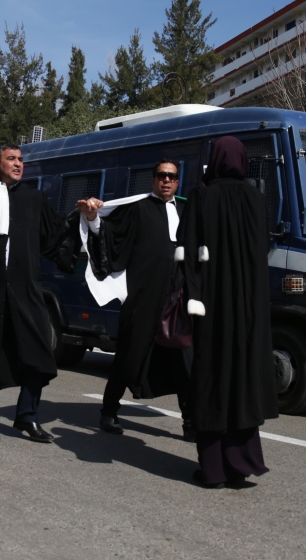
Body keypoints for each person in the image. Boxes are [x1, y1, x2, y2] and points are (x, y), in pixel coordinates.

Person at [180, 136, 278, 489]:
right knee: (242, 378)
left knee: (211, 377)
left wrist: (191, 295)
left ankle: (213, 470)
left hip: (212, 306)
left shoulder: (202, 196)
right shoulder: (255, 198)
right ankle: (240, 464)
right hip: (248, 308)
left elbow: (187, 249)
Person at [77, 159, 193, 439]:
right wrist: (93, 219)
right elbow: (109, 237)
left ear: (178, 182)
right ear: (153, 179)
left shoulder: (186, 210)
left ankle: (191, 422)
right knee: (129, 355)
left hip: (176, 298)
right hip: (143, 297)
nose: (166, 180)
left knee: (184, 360)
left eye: (172, 177)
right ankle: (109, 411)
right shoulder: (138, 209)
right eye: (161, 175)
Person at [0, 144, 69, 443]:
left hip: (26, 288)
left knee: (39, 351)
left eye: (21, 160)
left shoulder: (33, 199)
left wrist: (84, 219)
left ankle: (27, 416)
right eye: (11, 159)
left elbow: (54, 240)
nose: (18, 164)